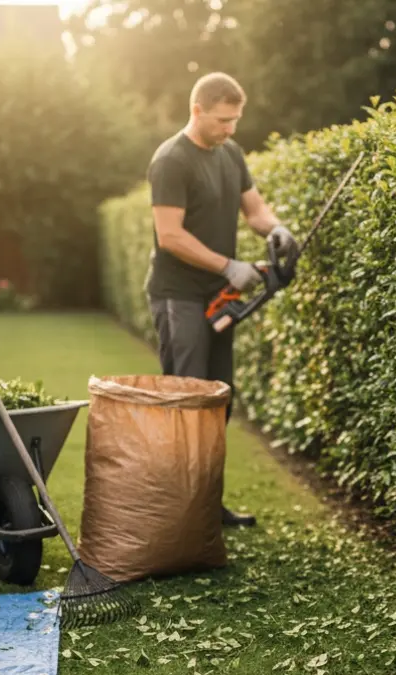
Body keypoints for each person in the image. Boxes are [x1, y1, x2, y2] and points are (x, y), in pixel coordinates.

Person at [145, 72, 298, 529]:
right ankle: (179, 513)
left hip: (217, 299)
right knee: (188, 401)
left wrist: (276, 229)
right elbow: (169, 236)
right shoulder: (172, 160)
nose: (230, 129)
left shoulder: (230, 153)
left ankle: (207, 504)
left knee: (218, 400)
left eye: (235, 120)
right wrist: (228, 267)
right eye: (222, 120)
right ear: (197, 110)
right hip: (180, 297)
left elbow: (254, 210)